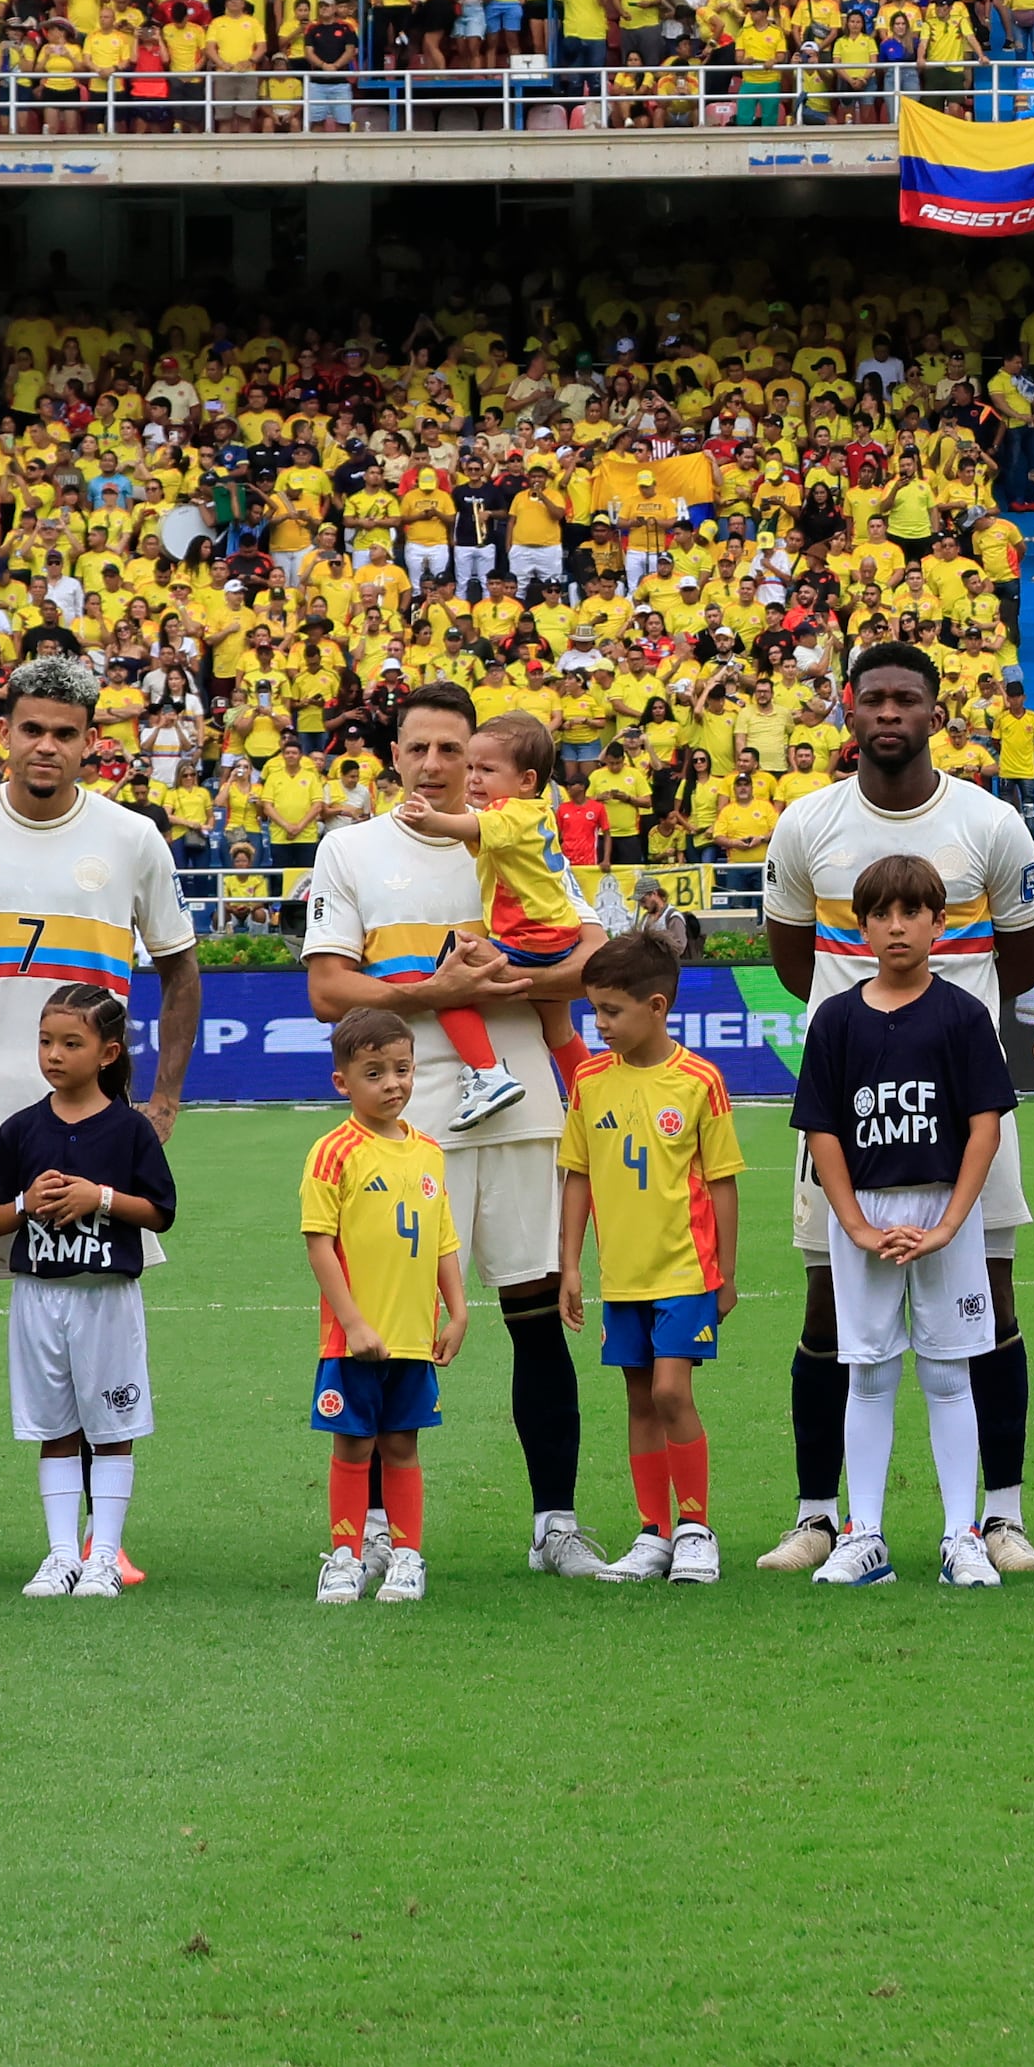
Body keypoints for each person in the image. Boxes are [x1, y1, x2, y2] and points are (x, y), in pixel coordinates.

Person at [758, 640, 1034, 1573]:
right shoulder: (807, 823)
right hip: (851, 1108)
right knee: (826, 1309)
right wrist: (864, 1030)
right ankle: (821, 1516)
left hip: (963, 1105)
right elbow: (791, 955)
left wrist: (940, 1031)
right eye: (873, 699)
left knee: (990, 1303)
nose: (889, 713)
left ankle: (998, 1517)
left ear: (935, 712)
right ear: (848, 711)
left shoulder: (990, 822)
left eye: (906, 699)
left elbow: (1027, 957)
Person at [302, 677, 609, 1579]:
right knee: (384, 1335)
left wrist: (515, 981)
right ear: (393, 754)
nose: (437, 767)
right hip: (402, 1130)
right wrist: (436, 994)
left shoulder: (520, 832)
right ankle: (371, 1537)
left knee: (536, 1320)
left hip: (521, 1119)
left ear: (479, 757)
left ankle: (555, 1523)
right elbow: (328, 988)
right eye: (420, 749)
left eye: (454, 751)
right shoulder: (351, 849)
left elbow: (593, 957)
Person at [0, 654, 202, 1164]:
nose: (46, 746)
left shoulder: (133, 838)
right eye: (32, 729)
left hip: (95, 1125)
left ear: (90, 742)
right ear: (4, 732)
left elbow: (181, 969)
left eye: (65, 734)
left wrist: (165, 1099)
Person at [792, 857, 1017, 1587]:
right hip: (867, 1212)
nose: (897, 925)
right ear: (860, 925)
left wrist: (951, 1225)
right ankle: (866, 1535)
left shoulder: (961, 1014)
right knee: (869, 1373)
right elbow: (822, 1130)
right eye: (882, 913)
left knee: (950, 1372)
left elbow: (985, 1126)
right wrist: (855, 1224)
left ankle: (961, 1534)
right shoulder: (836, 1017)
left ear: (937, 923)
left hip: (943, 1208)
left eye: (912, 912)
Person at [553, 925, 743, 1583]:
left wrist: (727, 1270)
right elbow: (577, 1174)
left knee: (670, 1389)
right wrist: (572, 1264)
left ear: (656, 1007)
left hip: (686, 1268)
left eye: (611, 1010)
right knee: (638, 1398)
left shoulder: (698, 1080)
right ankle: (653, 1533)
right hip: (622, 1274)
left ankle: (696, 1527)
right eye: (593, 1009)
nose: (597, 1022)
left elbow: (722, 1180)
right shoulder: (589, 1081)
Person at [0, 986, 178, 1601]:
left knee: (111, 1425)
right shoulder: (20, 1130)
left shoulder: (128, 1129)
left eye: (72, 1043)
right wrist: (23, 1204)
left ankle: (103, 1556)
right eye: (46, 1041)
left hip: (106, 1297)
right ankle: (62, 1555)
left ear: (108, 1052)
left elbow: (162, 1211)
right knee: (54, 1427)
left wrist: (102, 1198)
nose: (54, 1054)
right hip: (38, 1296)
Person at [302, 1006, 463, 1606]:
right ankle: (344, 1558)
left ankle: (406, 1556)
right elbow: (320, 1244)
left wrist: (459, 1310)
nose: (393, 1083)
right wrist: (353, 1322)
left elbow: (443, 1239)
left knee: (403, 1445)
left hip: (413, 1338)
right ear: (342, 1082)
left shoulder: (427, 1152)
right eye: (374, 1073)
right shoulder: (333, 1152)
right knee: (352, 1446)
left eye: (402, 1069)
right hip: (353, 1341)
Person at [389, 707, 591, 1121]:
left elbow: (473, 829)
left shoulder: (510, 815)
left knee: (447, 970)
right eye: (471, 767)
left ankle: (486, 1073)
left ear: (526, 781)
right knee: (557, 1023)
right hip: (557, 932)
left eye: (487, 769)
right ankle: (589, 1093)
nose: (474, 777)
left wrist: (431, 819)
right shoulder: (536, 814)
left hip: (533, 937)